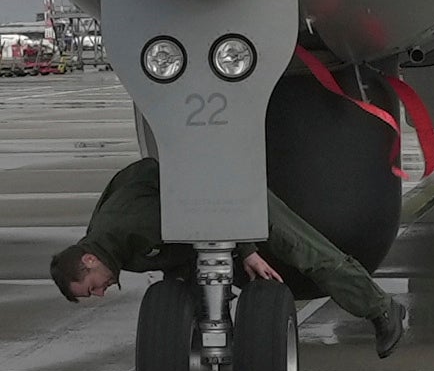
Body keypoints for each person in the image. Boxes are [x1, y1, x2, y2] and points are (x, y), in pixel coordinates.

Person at [51, 152, 409, 357]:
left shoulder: (129, 227)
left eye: (90, 288)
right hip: (191, 218)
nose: (99, 293)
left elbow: (206, 212)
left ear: (88, 261)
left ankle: (381, 308)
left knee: (304, 251)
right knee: (193, 301)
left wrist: (249, 251)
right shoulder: (104, 240)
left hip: (226, 192)